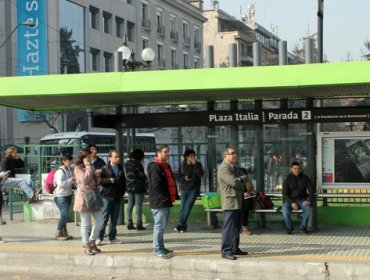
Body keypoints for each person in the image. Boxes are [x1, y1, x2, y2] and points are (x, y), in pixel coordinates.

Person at [218, 147, 248, 260]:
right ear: (226, 156)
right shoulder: (223, 168)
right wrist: (241, 180)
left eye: (236, 153)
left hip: (238, 201)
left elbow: (244, 178)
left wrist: (241, 179)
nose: (235, 155)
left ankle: (235, 248)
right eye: (232, 153)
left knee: (236, 227)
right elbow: (235, 182)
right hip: (230, 202)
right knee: (229, 228)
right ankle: (226, 251)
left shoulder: (234, 167)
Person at [148, 145, 177, 259]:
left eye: (168, 152)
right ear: (158, 153)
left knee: (162, 225)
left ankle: (161, 247)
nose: (167, 154)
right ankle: (157, 249)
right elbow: (155, 185)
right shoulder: (155, 166)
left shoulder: (165, 165)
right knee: (159, 225)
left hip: (166, 200)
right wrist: (162, 197)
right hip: (159, 201)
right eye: (165, 152)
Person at [73, 149, 104, 255]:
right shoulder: (77, 168)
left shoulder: (91, 166)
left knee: (100, 220)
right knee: (85, 223)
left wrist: (97, 176)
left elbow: (94, 182)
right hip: (84, 197)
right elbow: (84, 180)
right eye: (89, 157)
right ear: (83, 158)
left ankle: (92, 241)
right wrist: (88, 167)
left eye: (91, 157)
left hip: (94, 195)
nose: (91, 159)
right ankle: (86, 244)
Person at [97, 150, 126, 244]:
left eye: (118, 157)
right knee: (104, 218)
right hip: (106, 197)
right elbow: (100, 181)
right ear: (110, 158)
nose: (118, 158)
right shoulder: (105, 168)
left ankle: (112, 237)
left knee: (114, 219)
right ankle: (99, 237)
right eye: (115, 157)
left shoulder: (120, 168)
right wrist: (109, 180)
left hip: (117, 197)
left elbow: (123, 182)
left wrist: (122, 193)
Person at [175, 149, 204, 233]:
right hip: (184, 188)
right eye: (191, 156)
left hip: (194, 189)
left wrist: (195, 165)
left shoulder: (198, 164)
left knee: (188, 206)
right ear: (186, 157)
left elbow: (201, 174)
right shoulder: (183, 165)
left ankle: (180, 223)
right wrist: (184, 178)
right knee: (183, 207)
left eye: (194, 156)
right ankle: (183, 226)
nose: (193, 157)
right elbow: (178, 176)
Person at [282, 161, 315, 234]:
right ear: (291, 169)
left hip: (301, 200)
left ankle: (303, 227)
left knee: (308, 208)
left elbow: (311, 190)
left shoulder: (305, 178)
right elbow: (284, 193)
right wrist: (292, 203)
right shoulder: (287, 179)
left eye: (298, 168)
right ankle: (289, 227)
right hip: (290, 201)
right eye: (295, 168)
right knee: (284, 209)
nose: (296, 170)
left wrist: (309, 200)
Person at [53, 154, 75, 241]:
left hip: (68, 195)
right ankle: (58, 232)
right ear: (63, 161)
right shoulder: (60, 172)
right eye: (69, 160)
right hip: (60, 196)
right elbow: (61, 184)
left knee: (64, 215)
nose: (70, 162)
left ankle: (64, 232)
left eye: (71, 160)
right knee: (65, 215)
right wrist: (71, 179)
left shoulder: (69, 169)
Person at [125, 149, 147, 230]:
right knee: (138, 205)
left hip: (129, 186)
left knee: (130, 204)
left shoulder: (127, 163)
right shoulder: (138, 163)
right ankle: (139, 223)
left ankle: (129, 222)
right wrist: (145, 178)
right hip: (139, 186)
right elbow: (142, 175)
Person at [240, 168, 255, 236]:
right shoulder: (235, 181)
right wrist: (242, 194)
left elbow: (253, 190)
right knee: (243, 208)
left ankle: (244, 227)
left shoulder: (248, 181)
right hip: (238, 200)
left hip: (247, 200)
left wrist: (249, 193)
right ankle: (244, 227)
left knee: (245, 206)